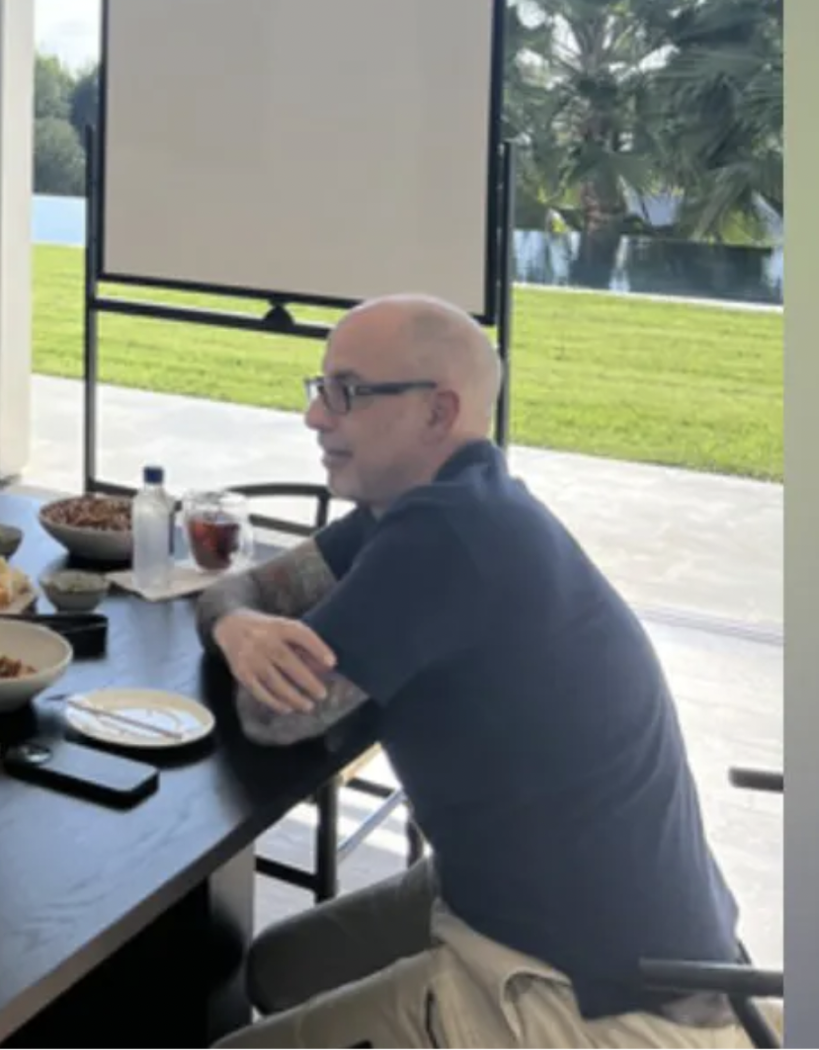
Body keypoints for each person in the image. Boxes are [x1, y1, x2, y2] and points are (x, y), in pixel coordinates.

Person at [199, 294, 752, 1048]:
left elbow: (275, 715)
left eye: (347, 392)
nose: (316, 417)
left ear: (438, 412)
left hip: (598, 990)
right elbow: (254, 588)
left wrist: (243, 627)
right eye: (318, 387)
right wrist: (236, 624)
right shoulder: (431, 504)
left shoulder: (449, 535)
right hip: (544, 903)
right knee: (275, 968)